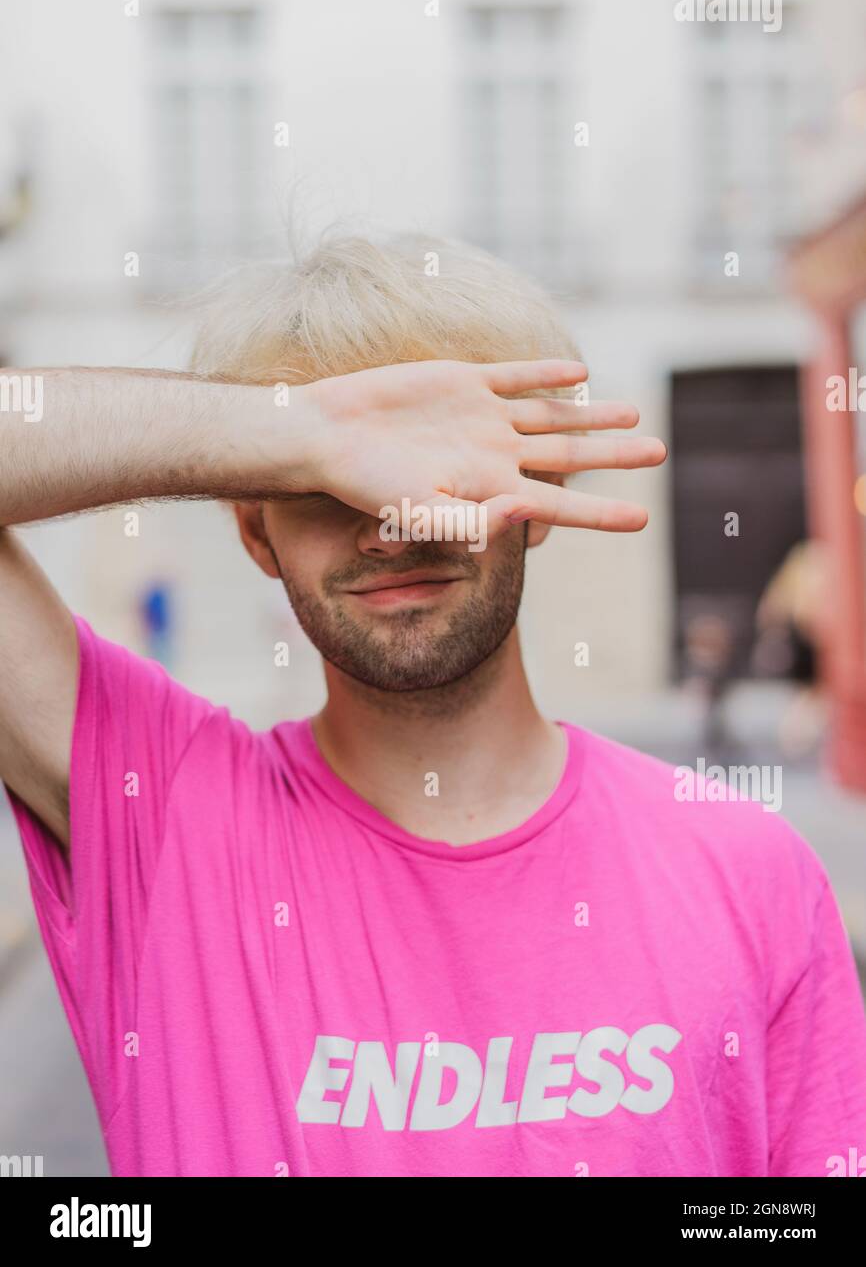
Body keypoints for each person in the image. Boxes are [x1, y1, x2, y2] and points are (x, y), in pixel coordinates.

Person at [1, 235, 864, 1178]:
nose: (394, 520)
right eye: (325, 487)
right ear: (257, 531)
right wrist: (299, 432)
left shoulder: (751, 872)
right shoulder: (160, 813)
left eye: (445, 468)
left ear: (535, 490)